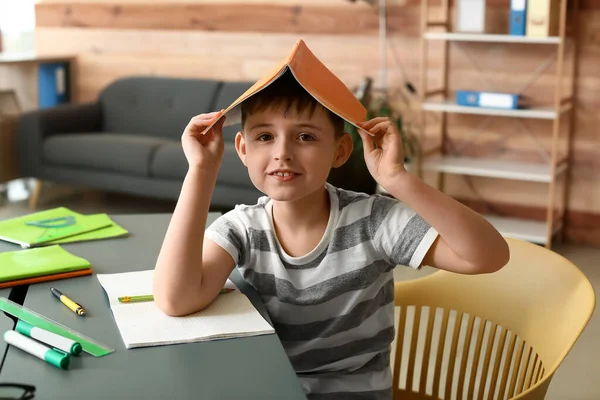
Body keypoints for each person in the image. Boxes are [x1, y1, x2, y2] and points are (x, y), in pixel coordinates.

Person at [153, 72, 510, 399]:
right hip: (267, 385)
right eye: (265, 136)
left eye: (305, 136)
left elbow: (487, 256)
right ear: (243, 150)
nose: (282, 153)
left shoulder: (374, 221)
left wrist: (397, 178)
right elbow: (176, 299)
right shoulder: (242, 228)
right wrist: (201, 170)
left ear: (340, 151)